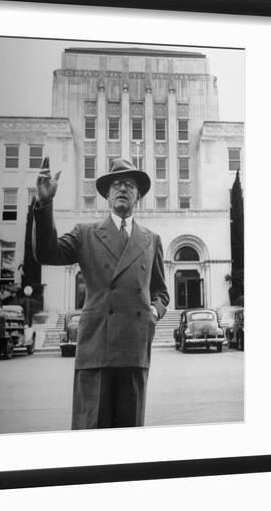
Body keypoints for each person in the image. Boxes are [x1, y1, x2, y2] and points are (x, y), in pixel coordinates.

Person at [33, 157, 169, 429]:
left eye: (129, 184)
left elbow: (161, 292)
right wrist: (45, 203)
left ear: (138, 195)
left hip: (134, 348)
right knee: (91, 432)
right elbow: (46, 253)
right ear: (107, 195)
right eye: (116, 184)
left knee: (127, 436)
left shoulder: (151, 239)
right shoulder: (86, 233)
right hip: (96, 349)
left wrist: (153, 312)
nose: (122, 188)